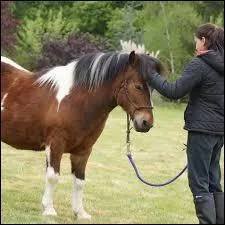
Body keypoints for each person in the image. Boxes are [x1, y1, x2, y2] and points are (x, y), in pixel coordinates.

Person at [145, 23, 224, 224]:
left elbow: (173, 92)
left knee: (199, 183)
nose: (195, 43)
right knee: (214, 182)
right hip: (219, 132)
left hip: (201, 131)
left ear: (204, 41)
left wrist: (149, 74)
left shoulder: (200, 64)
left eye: (196, 39)